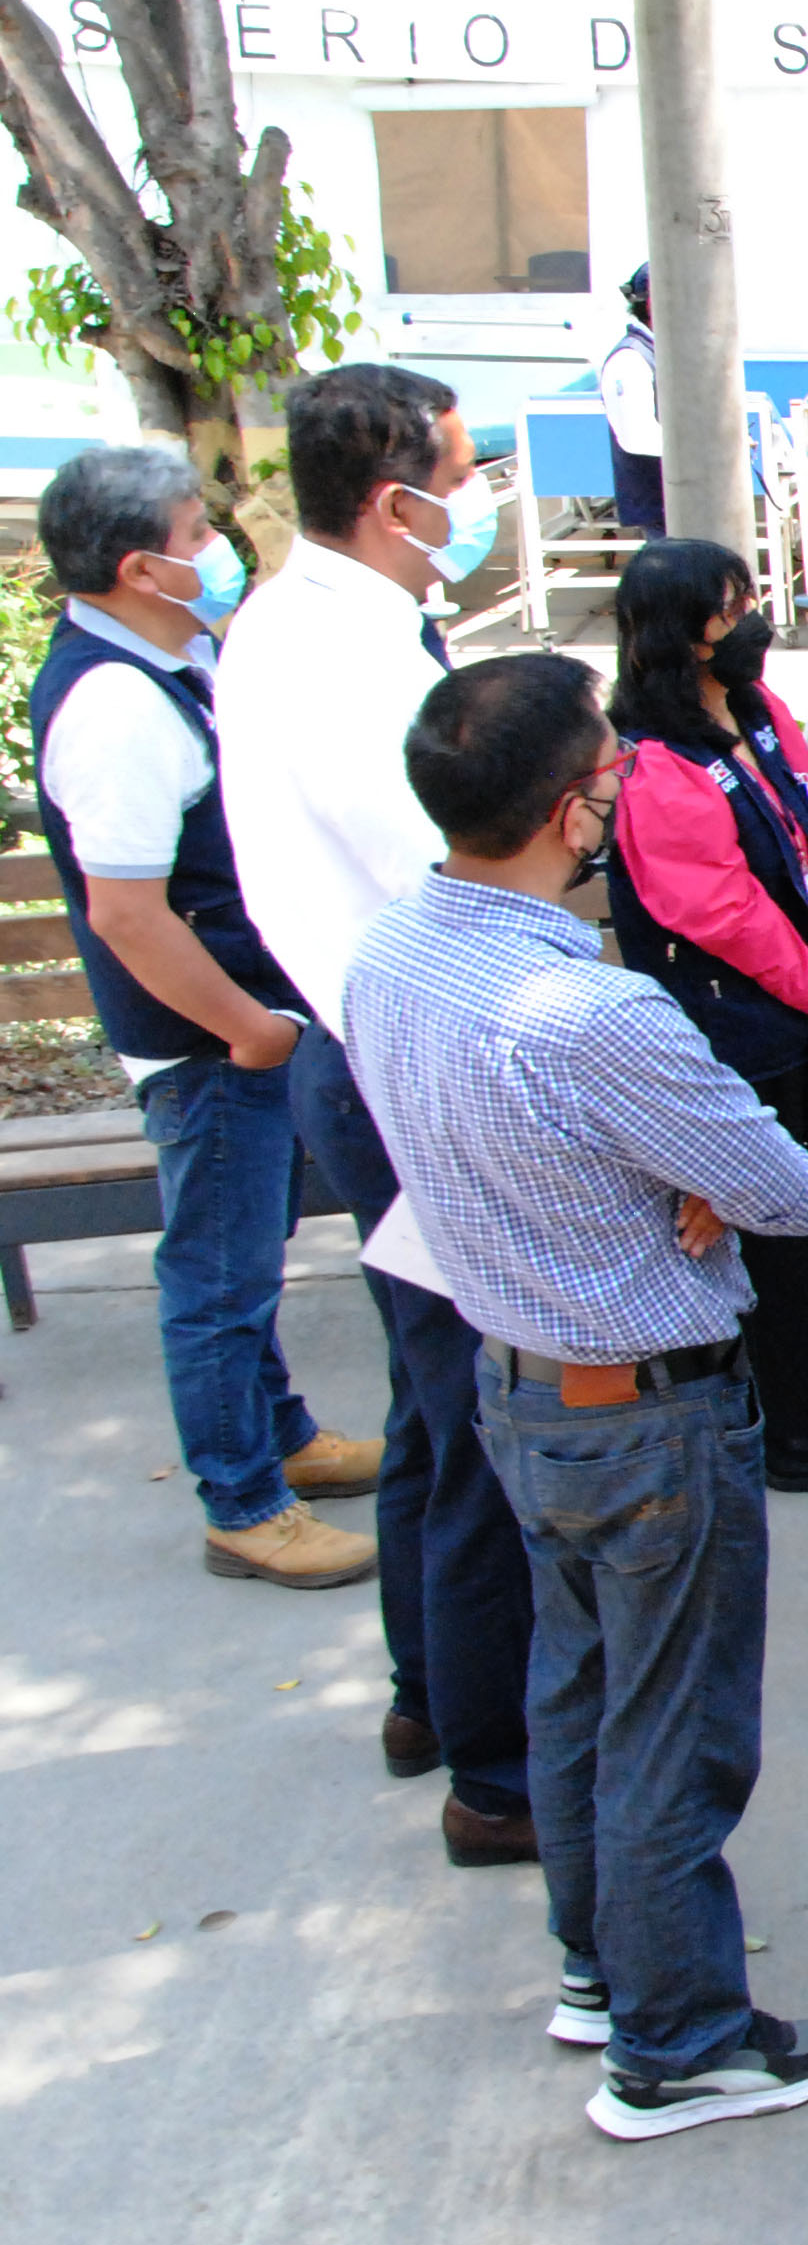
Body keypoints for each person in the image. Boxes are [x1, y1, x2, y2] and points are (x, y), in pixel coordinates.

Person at [342, 652, 808, 2141]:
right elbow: (783, 1187)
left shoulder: (392, 957)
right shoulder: (590, 1014)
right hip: (646, 1407)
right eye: (613, 780)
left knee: (573, 1691)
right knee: (671, 1727)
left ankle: (599, 1965)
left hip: (517, 1382)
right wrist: (695, 1183)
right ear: (575, 813)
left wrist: (681, 1181)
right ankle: (680, 2036)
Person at [216, 360, 539, 1862]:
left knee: (433, 1406)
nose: (475, 503)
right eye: (462, 474)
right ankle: (498, 1772)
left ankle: (430, 1697)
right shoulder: (328, 654)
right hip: (413, 1054)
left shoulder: (340, 623)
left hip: (390, 1042)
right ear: (395, 495)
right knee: (482, 1421)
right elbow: (443, 860)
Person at [27, 446, 381, 1587]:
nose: (217, 550)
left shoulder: (169, 662)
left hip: (238, 1027)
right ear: (142, 566)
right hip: (208, 1043)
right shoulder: (115, 705)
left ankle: (281, 1439)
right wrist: (246, 1026)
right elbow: (129, 915)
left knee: (249, 1265)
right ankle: (242, 1499)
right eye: (196, 535)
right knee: (218, 1279)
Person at [602, 538, 808, 1495]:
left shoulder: (761, 712)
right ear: (682, 635)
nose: (754, 619)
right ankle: (772, 1417)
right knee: (759, 1224)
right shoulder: (655, 763)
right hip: (732, 1027)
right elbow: (722, 915)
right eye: (733, 607)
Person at [595, 263, 662, 537]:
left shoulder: (662, 353)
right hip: (663, 511)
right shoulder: (631, 359)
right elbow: (638, 437)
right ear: (651, 305)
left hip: (686, 504)